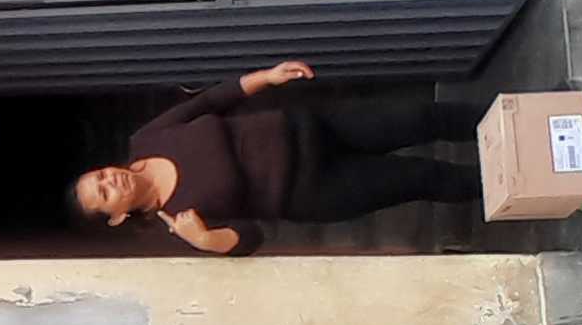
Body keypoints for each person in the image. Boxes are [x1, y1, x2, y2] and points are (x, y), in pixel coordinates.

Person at [72, 62, 486, 255]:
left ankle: (513, 120)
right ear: (117, 217)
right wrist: (204, 241)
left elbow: (210, 101)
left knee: (419, 117)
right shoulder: (179, 220)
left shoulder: (147, 140)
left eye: (101, 175)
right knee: (422, 177)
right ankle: (513, 185)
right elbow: (250, 237)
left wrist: (266, 77)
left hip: (315, 127)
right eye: (104, 193)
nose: (111, 179)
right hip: (317, 189)